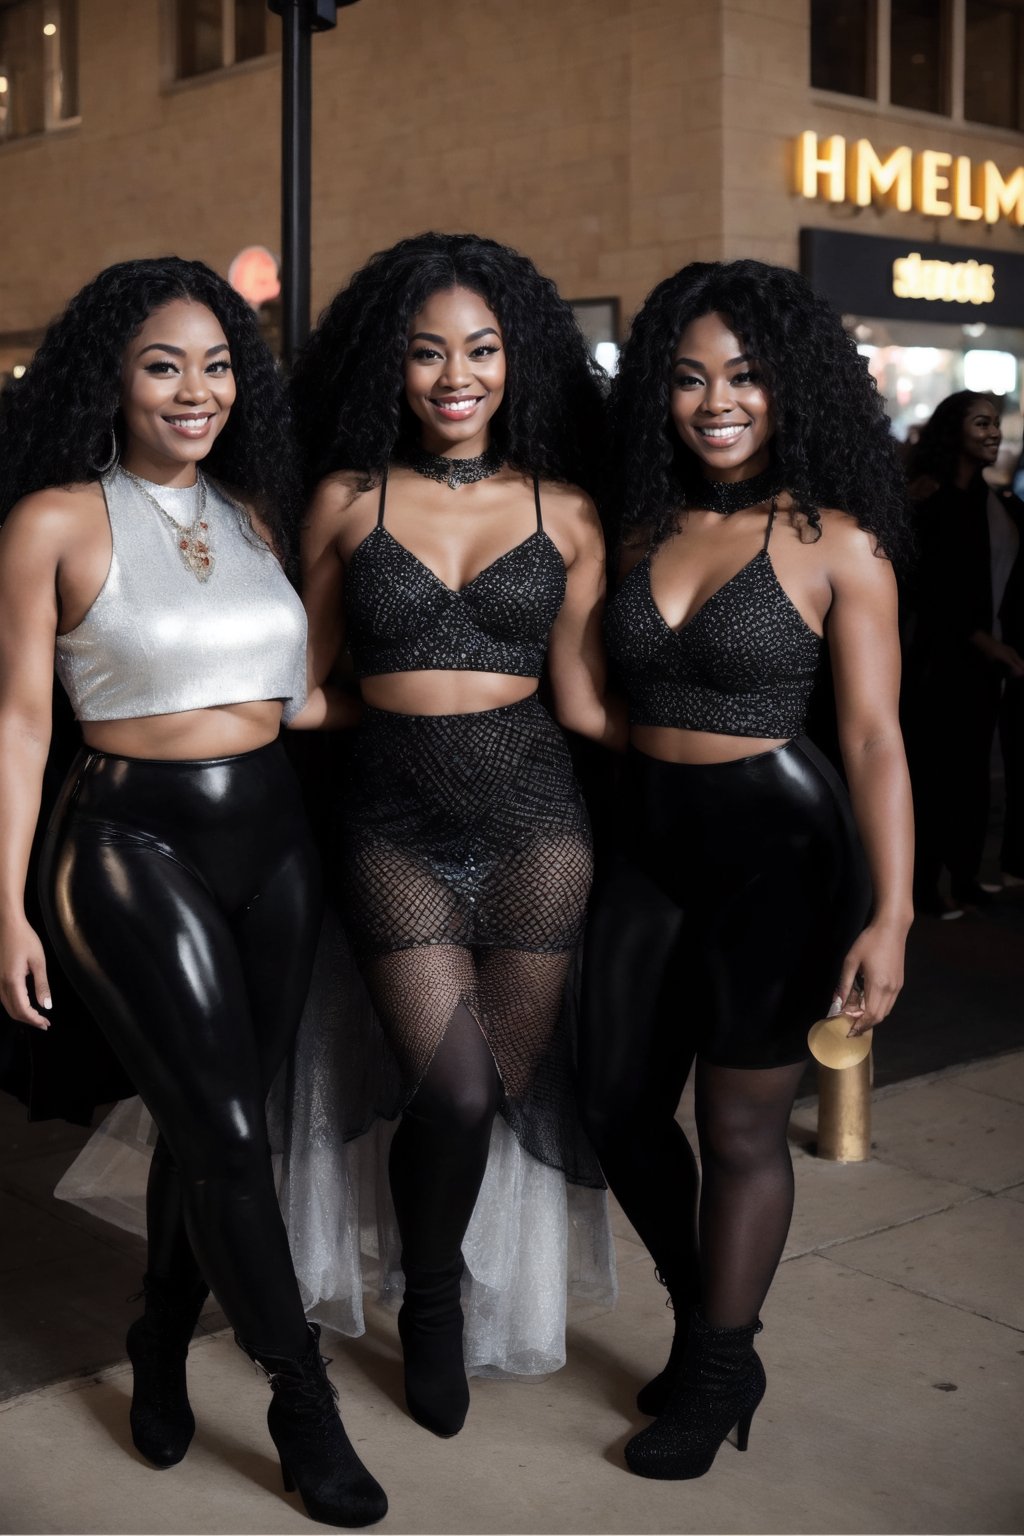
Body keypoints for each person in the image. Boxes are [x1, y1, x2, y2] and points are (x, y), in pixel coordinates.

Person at [0, 258, 386, 1528]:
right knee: (223, 1133)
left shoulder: (253, 514)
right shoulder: (53, 520)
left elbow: (296, 696)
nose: (197, 389)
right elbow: (14, 724)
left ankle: (162, 1333)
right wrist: (6, 904)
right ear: (109, 373)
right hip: (127, 842)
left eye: (219, 364)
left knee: (222, 1126)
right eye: (165, 364)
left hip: (272, 839)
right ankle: (300, 1401)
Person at [578, 259, 914, 1480]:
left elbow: (875, 738)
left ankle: (717, 1367)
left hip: (781, 848)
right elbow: (599, 692)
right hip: (649, 840)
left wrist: (893, 915)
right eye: (686, 378)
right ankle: (709, 1315)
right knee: (611, 1102)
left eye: (744, 375)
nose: (714, 401)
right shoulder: (643, 527)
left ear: (793, 388)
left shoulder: (838, 542)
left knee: (737, 1126)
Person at [287, 231, 620, 1438]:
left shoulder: (567, 513)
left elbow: (582, 702)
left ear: (515, 360)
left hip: (540, 830)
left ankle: (445, 1280)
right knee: (458, 1089)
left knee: (490, 1096)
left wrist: (736, 740)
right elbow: (313, 691)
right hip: (393, 830)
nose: (454, 376)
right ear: (393, 366)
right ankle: (431, 1301)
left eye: (479, 350)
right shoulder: (345, 502)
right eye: (427, 354)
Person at [904, 392, 1024, 912]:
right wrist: (985, 642)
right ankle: (926, 886)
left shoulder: (1000, 506)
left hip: (987, 666)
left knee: (973, 777)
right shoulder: (927, 502)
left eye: (996, 424)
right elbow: (930, 592)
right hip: (937, 663)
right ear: (956, 430)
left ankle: (965, 875)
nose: (994, 433)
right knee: (934, 775)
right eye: (982, 423)